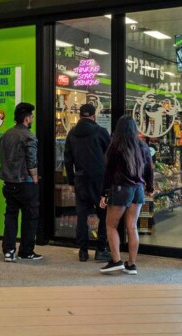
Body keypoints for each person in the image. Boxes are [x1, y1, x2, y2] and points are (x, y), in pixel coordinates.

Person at [99, 115, 154, 275]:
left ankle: (116, 260)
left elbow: (108, 173)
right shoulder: (143, 146)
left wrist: (104, 193)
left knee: (111, 225)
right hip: (138, 190)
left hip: (121, 189)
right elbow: (149, 169)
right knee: (132, 226)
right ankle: (131, 264)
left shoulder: (115, 147)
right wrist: (150, 187)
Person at [64, 103, 111, 262]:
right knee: (103, 214)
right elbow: (110, 153)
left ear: (79, 115)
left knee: (82, 215)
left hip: (81, 180)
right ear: (93, 115)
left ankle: (83, 251)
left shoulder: (72, 133)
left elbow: (68, 159)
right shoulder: (101, 132)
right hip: (99, 180)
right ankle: (101, 249)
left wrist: (71, 181)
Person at [0, 102, 43, 262]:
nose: (32, 119)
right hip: (25, 183)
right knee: (30, 217)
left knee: (11, 216)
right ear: (26, 119)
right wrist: (35, 177)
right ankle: (26, 251)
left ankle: (9, 251)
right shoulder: (29, 136)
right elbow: (32, 160)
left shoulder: (6, 134)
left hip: (9, 183)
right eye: (32, 117)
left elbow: (0, 151)